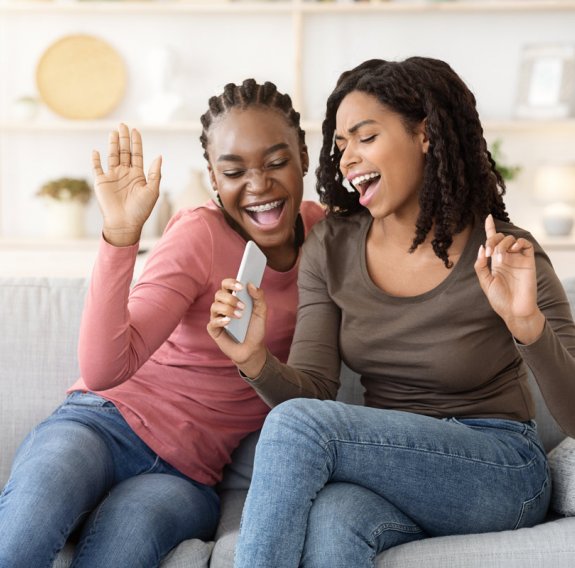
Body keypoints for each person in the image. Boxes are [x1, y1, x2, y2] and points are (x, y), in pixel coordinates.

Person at [207, 57, 575, 568]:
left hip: (499, 469)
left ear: (425, 134)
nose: (348, 159)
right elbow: (313, 388)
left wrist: (527, 326)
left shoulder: (505, 253)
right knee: (335, 518)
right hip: (391, 470)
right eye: (341, 145)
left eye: (365, 137)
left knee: (297, 427)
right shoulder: (331, 246)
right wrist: (254, 360)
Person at [0, 79, 324, 567]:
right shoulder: (198, 233)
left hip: (183, 475)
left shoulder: (329, 238)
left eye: (276, 162)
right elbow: (107, 369)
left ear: (303, 154)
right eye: (234, 171)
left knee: (122, 547)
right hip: (100, 424)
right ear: (214, 180)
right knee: (24, 531)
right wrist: (120, 235)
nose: (258, 185)